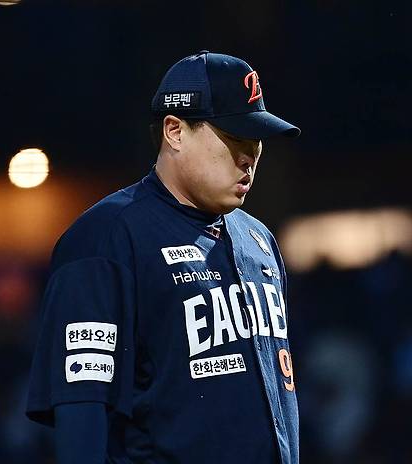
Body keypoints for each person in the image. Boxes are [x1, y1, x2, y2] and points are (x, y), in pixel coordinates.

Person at [25, 50, 301, 464]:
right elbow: (82, 403)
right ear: (175, 131)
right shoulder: (107, 238)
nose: (250, 156)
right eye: (235, 136)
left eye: (256, 139)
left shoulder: (257, 238)